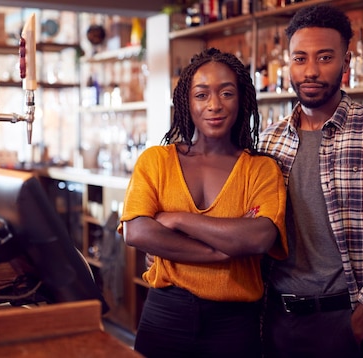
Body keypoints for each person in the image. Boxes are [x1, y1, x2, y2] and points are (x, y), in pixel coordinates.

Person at [257, 4, 363, 358]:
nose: (311, 71)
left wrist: (357, 323)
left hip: (346, 323)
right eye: (300, 58)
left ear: (346, 62)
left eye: (325, 57)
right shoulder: (268, 142)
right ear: (288, 63)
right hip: (273, 322)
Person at [118, 48, 287, 358]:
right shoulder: (157, 161)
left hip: (234, 325)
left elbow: (260, 237)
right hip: (165, 314)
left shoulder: (260, 169)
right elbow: (137, 232)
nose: (214, 105)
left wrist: (178, 220)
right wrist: (221, 251)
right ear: (187, 101)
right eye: (201, 95)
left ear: (241, 100)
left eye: (226, 93)